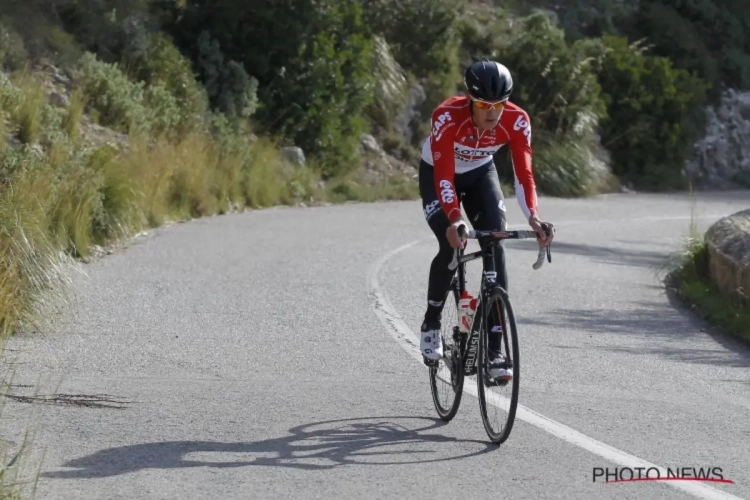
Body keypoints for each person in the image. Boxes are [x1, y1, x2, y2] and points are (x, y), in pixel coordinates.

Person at [418, 59, 555, 381]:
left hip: (481, 173)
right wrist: (455, 219)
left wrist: (534, 217)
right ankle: (432, 322)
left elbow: (524, 174)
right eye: (483, 105)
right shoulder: (447, 116)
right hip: (440, 175)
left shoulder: (517, 121)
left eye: (499, 104)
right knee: (450, 244)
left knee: (495, 243)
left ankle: (494, 351)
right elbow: (444, 176)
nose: (492, 113)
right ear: (469, 99)